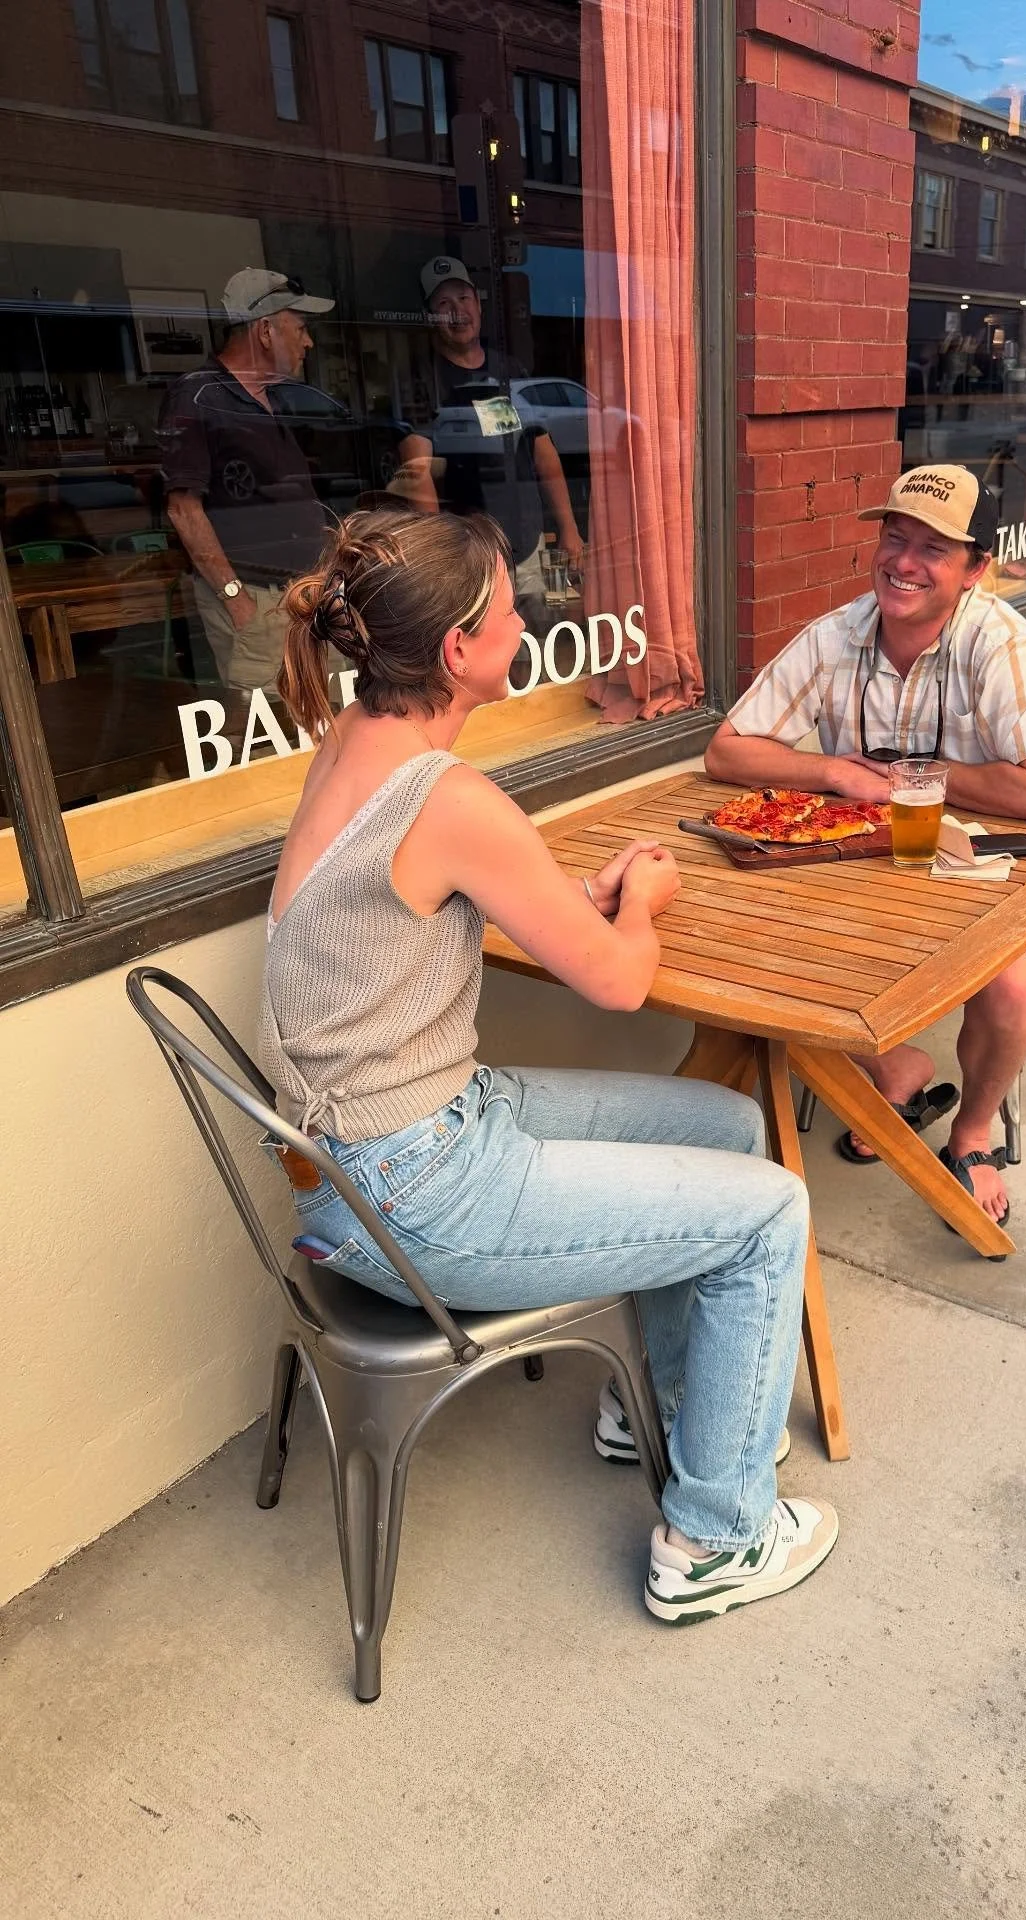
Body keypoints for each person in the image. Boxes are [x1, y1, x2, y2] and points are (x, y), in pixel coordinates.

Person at [256, 506, 838, 1623]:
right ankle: (715, 1541)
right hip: (410, 1190)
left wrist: (579, 902)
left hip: (360, 1159)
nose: (531, 617)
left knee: (727, 1129)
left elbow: (410, 910)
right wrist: (647, 904)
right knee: (768, 1213)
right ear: (457, 654)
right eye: (510, 607)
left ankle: (656, 1411)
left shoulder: (353, 746)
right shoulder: (449, 797)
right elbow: (620, 981)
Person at [705, 464, 1026, 1229]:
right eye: (894, 538)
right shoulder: (833, 634)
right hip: (857, 864)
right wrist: (832, 769)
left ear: (976, 569)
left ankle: (970, 1134)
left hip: (978, 866)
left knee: (1008, 986)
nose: (903, 563)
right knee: (745, 942)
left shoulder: (999, 639)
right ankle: (893, 1065)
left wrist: (920, 775)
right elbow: (727, 753)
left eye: (933, 549)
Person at [159, 267, 335, 691]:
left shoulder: (271, 397)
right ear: (266, 331)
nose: (307, 341)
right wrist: (237, 599)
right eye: (300, 327)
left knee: (330, 725)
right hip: (259, 600)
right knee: (272, 738)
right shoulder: (197, 396)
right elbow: (183, 508)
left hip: (306, 598)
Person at [397, 256, 584, 635]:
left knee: (546, 637)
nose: (457, 312)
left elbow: (542, 454)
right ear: (430, 315)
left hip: (530, 546)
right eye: (443, 305)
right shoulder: (422, 380)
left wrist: (569, 528)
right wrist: (441, 556)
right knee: (485, 651)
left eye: (463, 299)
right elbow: (418, 475)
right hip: (472, 554)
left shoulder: (509, 371)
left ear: (478, 305)